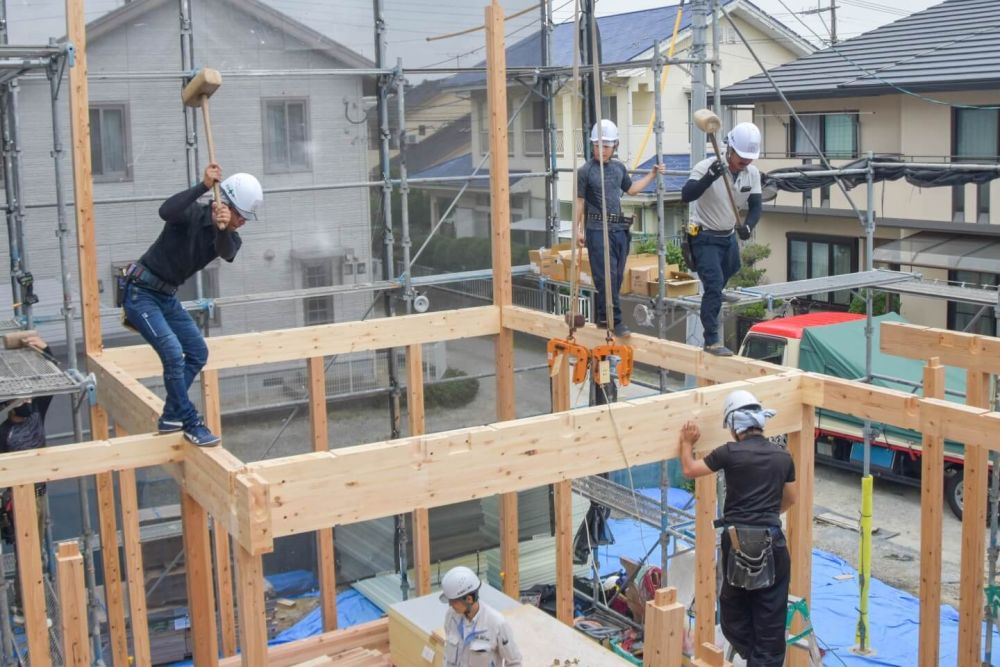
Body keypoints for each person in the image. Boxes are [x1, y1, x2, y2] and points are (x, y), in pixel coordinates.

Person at [122, 164, 262, 446]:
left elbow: (227, 251)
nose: (243, 222)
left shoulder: (229, 236)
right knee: (173, 354)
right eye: (242, 216)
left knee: (197, 351)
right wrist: (202, 186)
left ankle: (171, 415)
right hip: (140, 292)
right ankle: (190, 421)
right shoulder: (191, 214)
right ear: (226, 204)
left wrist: (223, 229)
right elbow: (165, 211)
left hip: (166, 297)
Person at [678, 390, 797, 667]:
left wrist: (686, 442)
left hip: (738, 543)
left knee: (732, 614)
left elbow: (689, 469)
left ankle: (756, 656)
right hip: (772, 543)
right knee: (770, 623)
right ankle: (762, 658)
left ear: (734, 426)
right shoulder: (783, 457)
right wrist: (765, 515)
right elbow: (791, 498)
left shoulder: (729, 453)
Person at [575, 119, 666, 338]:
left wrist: (651, 175)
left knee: (615, 278)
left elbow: (632, 189)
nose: (601, 150)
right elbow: (579, 202)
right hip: (597, 228)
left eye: (606, 146)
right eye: (597, 146)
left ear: (614, 146)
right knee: (605, 276)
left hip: (619, 229)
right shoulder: (585, 171)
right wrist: (577, 230)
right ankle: (615, 321)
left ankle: (602, 316)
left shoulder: (618, 168)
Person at [681, 122, 763, 356]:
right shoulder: (706, 166)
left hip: (727, 236)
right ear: (729, 149)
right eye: (741, 157)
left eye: (749, 158)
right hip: (704, 236)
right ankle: (711, 340)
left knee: (732, 267)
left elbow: (756, 206)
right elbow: (687, 195)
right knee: (714, 286)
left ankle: (716, 290)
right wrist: (709, 178)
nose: (745, 162)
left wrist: (748, 225)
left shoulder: (752, 173)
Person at [0, 333, 54, 624]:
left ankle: (25, 604)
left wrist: (44, 348)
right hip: (17, 499)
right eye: (24, 398)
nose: (30, 401)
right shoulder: (4, 431)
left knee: (35, 551)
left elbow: (51, 381)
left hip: (38, 492)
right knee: (28, 552)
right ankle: (28, 607)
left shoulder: (36, 416)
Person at [439, 566, 522, 667]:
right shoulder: (451, 616)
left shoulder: (496, 624)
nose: (450, 605)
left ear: (469, 599)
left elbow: (514, 662)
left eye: (454, 601)